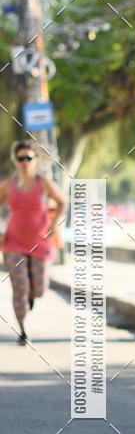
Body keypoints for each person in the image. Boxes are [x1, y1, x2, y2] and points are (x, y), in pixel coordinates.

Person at [0, 140, 66, 344]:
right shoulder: (8, 185)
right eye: (21, 158)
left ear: (35, 160)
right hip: (13, 243)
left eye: (29, 157)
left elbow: (63, 202)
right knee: (19, 287)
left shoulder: (43, 182)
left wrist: (54, 224)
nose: (25, 162)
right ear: (15, 160)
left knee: (39, 289)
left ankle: (31, 295)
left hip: (41, 242)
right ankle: (23, 329)